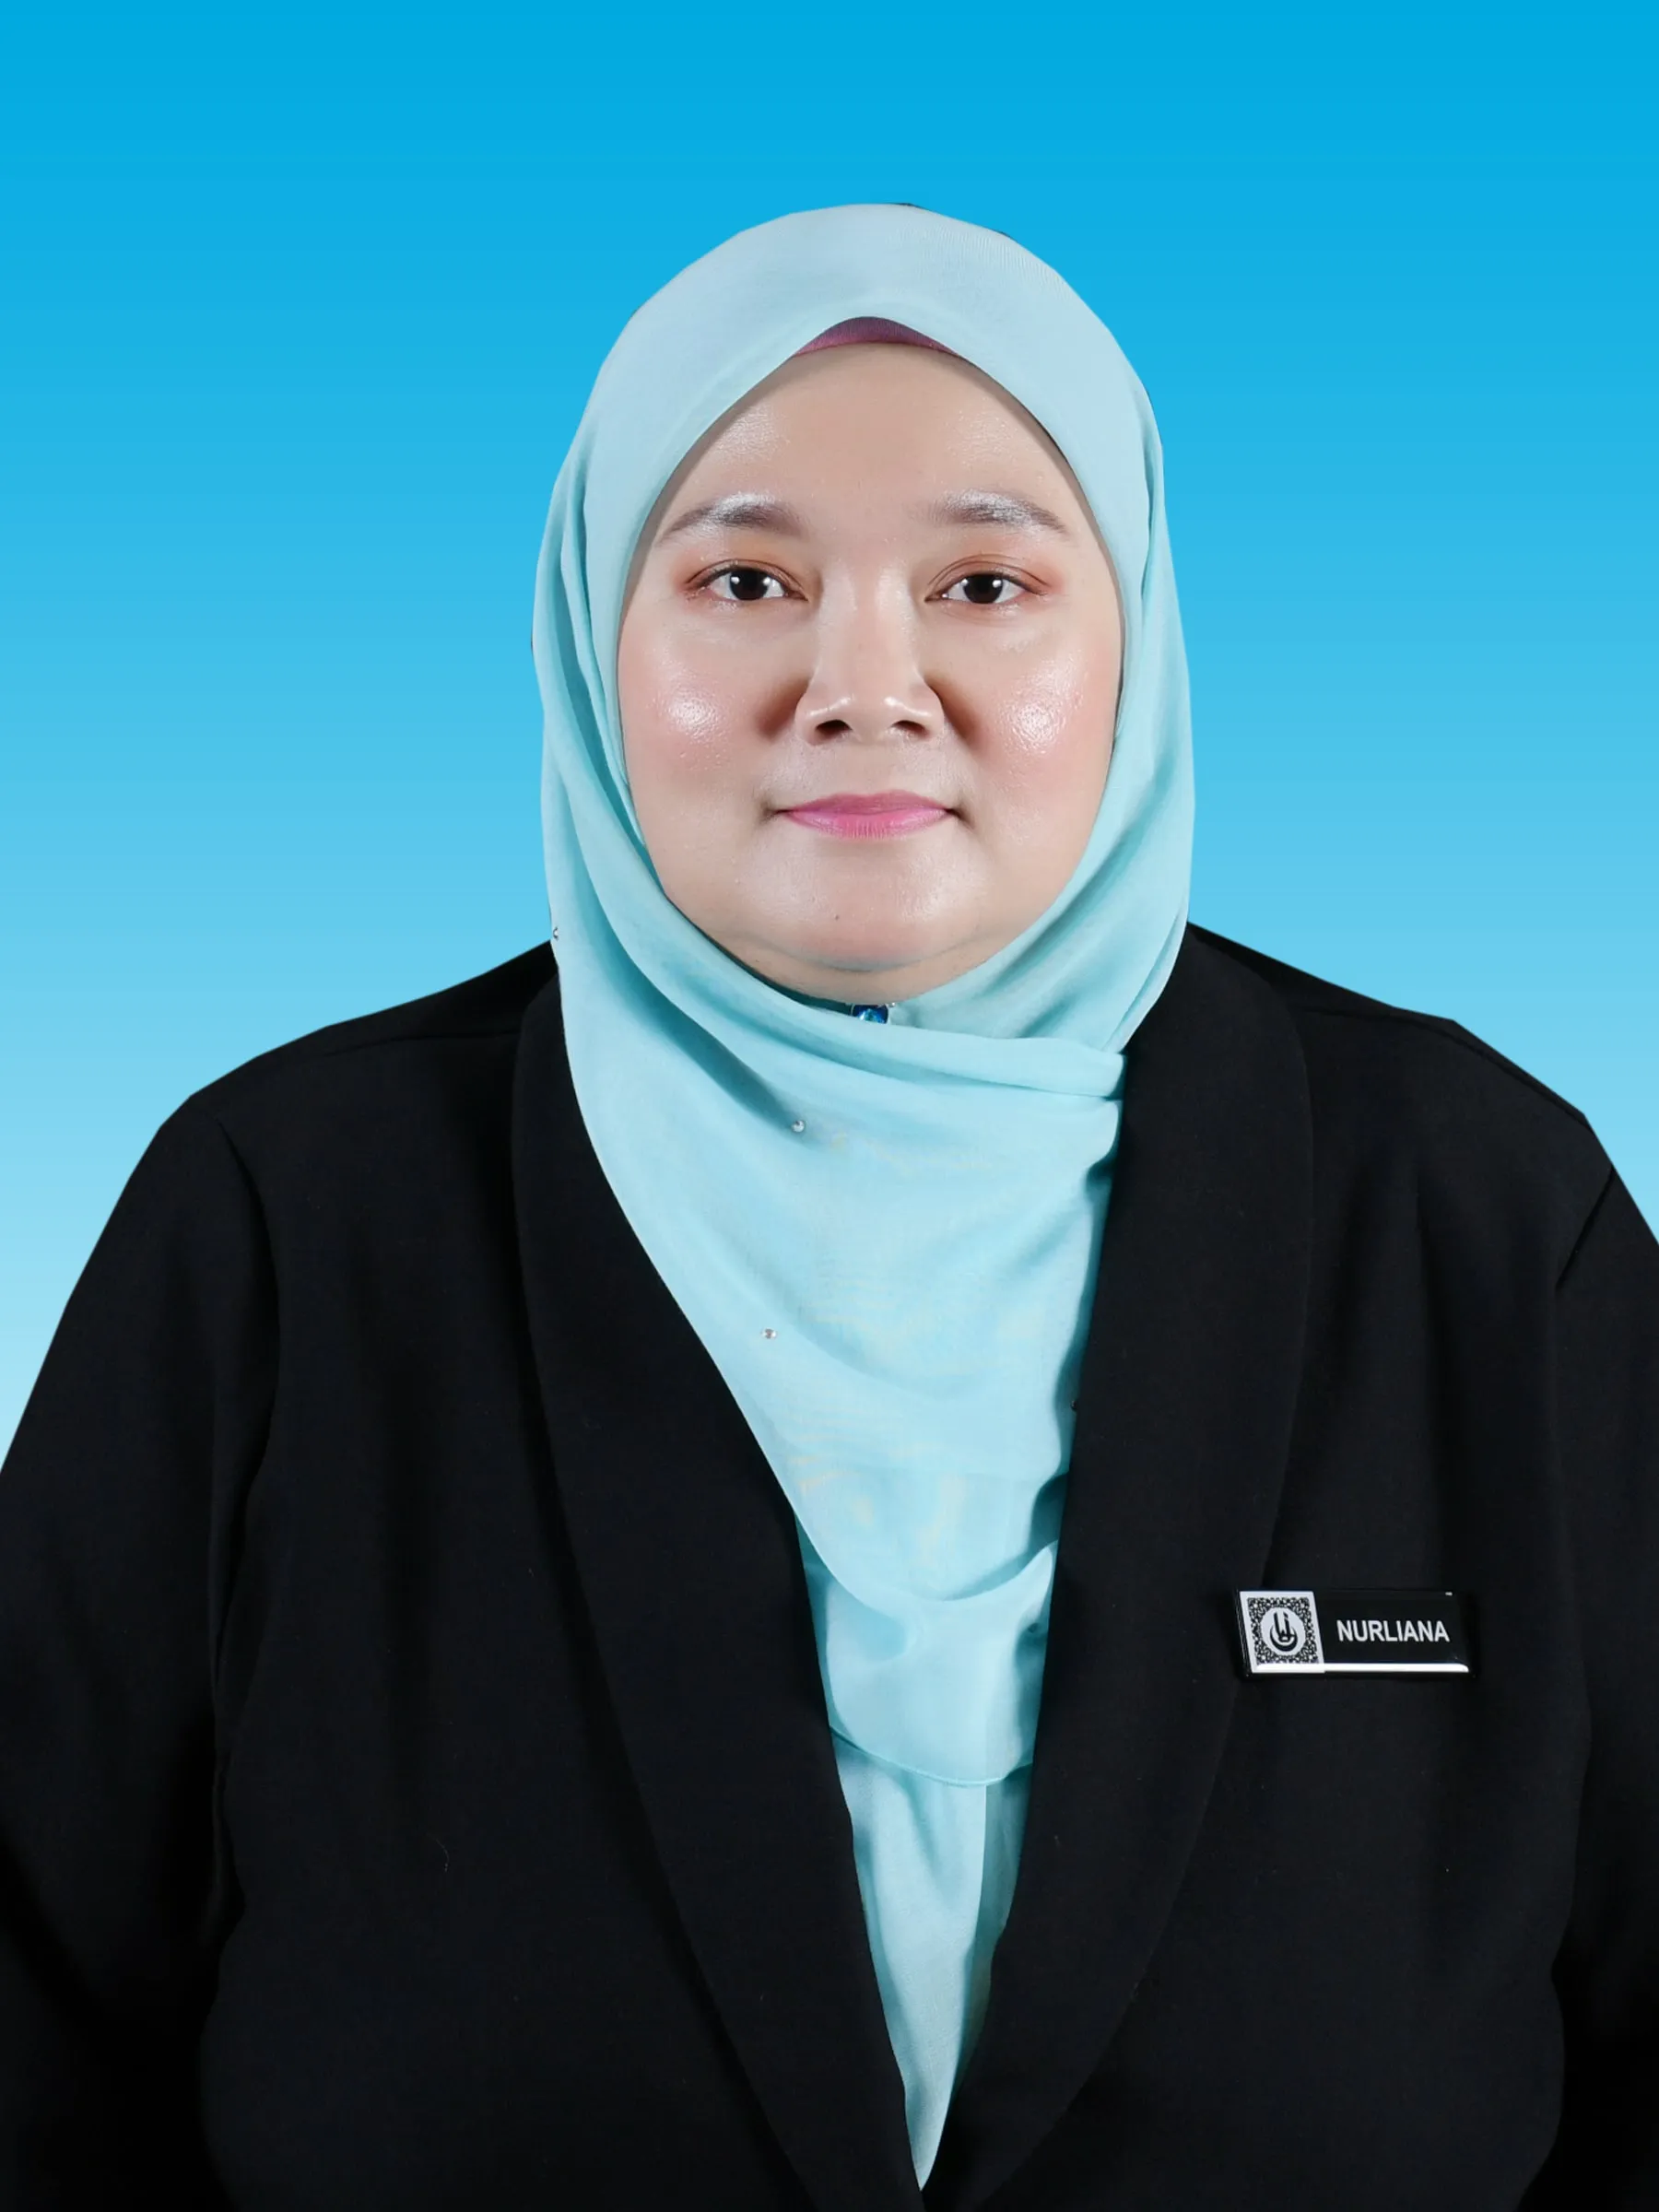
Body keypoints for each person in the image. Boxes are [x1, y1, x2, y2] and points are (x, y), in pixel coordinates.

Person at [1, 203, 1654, 2211]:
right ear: (592, 635)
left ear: (1135, 637)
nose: (865, 686)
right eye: (745, 579)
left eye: (984, 582)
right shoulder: (282, 1225)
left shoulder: (1486, 1222)